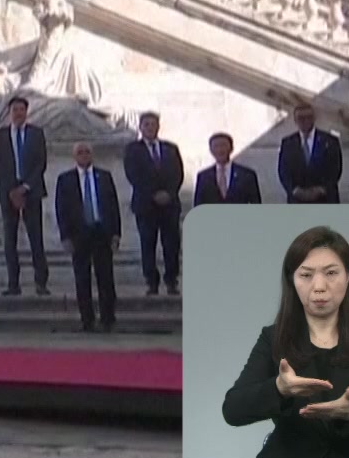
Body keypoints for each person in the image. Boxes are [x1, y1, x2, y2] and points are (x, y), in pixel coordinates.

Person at [221, 226, 349, 458]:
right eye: (306, 275)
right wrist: (279, 389)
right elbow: (232, 409)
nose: (319, 286)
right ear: (292, 280)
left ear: (348, 276)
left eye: (331, 273)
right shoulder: (273, 338)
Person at [55, 143, 121, 334]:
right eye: (80, 153)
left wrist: (116, 234)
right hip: (79, 234)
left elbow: (113, 206)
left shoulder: (104, 176)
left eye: (87, 152)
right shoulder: (65, 179)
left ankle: (108, 318)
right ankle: (87, 320)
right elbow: (62, 210)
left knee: (106, 278)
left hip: (101, 232)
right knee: (82, 279)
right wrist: (65, 236)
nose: (84, 155)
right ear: (74, 156)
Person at [0, 97, 49, 297]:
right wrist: (12, 190)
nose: (18, 113)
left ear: (26, 112)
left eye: (22, 109)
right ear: (10, 112)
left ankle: (41, 282)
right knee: (10, 240)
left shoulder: (36, 134)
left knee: (36, 238)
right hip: (8, 193)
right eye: (15, 110)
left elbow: (41, 163)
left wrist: (25, 187)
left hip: (31, 192)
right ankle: (13, 283)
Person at [122, 112, 184, 296]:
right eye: (146, 124)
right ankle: (152, 281)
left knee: (172, 244)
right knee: (148, 244)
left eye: (153, 124)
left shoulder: (170, 148)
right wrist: (153, 194)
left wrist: (169, 193)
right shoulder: (133, 149)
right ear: (140, 127)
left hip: (170, 204)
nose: (150, 127)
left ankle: (172, 280)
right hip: (146, 204)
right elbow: (133, 175)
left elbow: (178, 173)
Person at [277, 104, 343, 205]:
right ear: (295, 120)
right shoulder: (288, 143)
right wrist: (294, 190)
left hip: (325, 200)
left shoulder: (330, 141)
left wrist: (321, 189)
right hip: (297, 201)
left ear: (314, 118)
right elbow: (283, 170)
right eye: (301, 118)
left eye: (309, 117)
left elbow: (336, 169)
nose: (305, 121)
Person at [193, 133, 263, 206]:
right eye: (216, 146)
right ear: (211, 150)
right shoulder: (203, 176)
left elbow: (256, 204)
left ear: (231, 148)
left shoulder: (247, 175)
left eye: (223, 145)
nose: (220, 150)